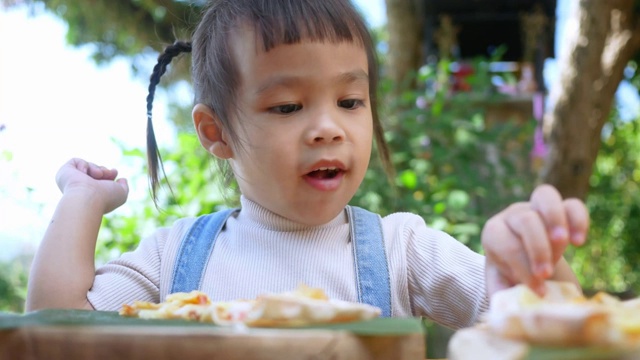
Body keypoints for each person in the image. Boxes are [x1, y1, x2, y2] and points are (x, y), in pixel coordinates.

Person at [25, 0, 589, 330]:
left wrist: (531, 261)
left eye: (350, 101)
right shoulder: (172, 259)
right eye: (289, 106)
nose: (328, 126)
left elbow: (543, 323)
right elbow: (54, 329)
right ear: (216, 132)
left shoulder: (404, 252)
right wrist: (81, 199)